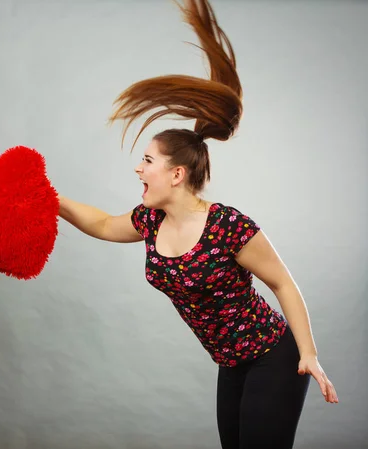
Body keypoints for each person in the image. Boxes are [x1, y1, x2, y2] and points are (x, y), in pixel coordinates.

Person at [57, 1, 338, 448]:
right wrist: (49, 198)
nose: (138, 169)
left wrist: (309, 353)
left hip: (273, 357)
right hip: (231, 364)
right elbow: (105, 224)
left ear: (176, 174)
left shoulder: (227, 225)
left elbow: (283, 283)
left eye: (147, 161)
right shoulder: (150, 221)